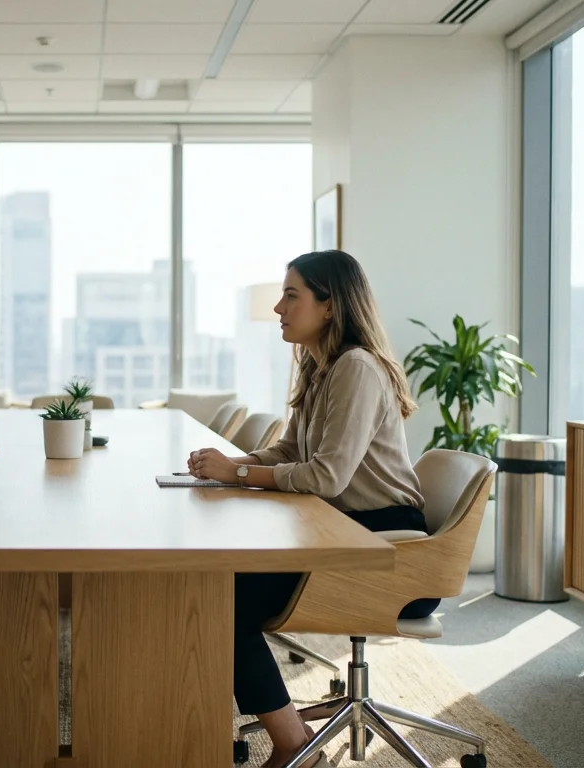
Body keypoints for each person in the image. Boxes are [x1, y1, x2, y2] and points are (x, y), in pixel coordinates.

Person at [186, 250, 436, 768]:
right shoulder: (322, 367)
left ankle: (294, 744)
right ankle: (281, 731)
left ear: (329, 305)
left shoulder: (357, 369)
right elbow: (289, 452)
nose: (279, 307)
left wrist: (235, 474)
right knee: (222, 585)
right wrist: (234, 462)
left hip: (388, 549)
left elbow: (325, 477)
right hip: (344, 533)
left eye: (291, 294)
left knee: (223, 599)